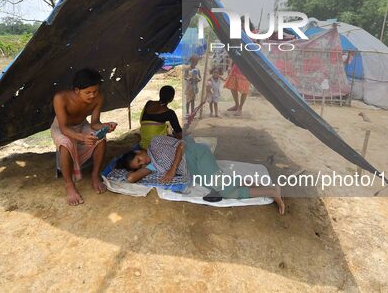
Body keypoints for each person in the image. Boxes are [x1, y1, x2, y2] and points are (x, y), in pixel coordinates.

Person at [116, 136, 285, 215]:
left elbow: (181, 144)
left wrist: (172, 169)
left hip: (195, 154)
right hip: (193, 170)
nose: (143, 163)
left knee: (226, 192)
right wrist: (131, 170)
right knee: (220, 183)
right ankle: (264, 186)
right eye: (139, 165)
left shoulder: (155, 143)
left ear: (138, 150)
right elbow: (131, 179)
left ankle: (271, 192)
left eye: (139, 159)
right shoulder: (151, 167)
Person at [51, 68, 118, 205]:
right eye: (87, 92)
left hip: (82, 124)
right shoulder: (61, 98)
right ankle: (69, 185)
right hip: (61, 126)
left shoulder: (98, 97)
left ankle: (95, 176)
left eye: (95, 91)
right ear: (77, 90)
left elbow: (94, 123)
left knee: (101, 139)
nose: (92, 96)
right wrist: (82, 137)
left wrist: (105, 126)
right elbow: (64, 128)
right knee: (65, 144)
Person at [139, 85, 183, 149]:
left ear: (160, 94)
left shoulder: (149, 103)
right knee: (182, 142)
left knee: (168, 131)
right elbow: (180, 135)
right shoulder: (170, 113)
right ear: (171, 99)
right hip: (156, 146)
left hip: (144, 143)